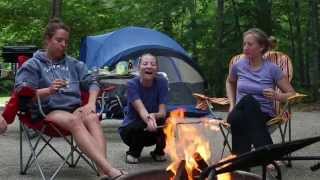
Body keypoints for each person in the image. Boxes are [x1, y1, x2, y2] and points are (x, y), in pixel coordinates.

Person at [15, 18, 124, 180]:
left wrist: (91, 103)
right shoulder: (33, 65)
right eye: (59, 40)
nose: (63, 45)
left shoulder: (74, 64)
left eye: (66, 41)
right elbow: (22, 94)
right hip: (47, 111)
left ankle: (103, 173)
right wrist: (49, 90)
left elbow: (93, 82)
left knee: (92, 116)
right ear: (47, 40)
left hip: (74, 108)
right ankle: (110, 170)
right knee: (74, 121)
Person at [225, 28, 296, 157]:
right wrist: (231, 104)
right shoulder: (238, 65)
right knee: (246, 102)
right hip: (239, 110)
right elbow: (230, 82)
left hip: (264, 114)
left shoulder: (272, 69)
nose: (245, 47)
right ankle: (267, 154)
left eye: (250, 44)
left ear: (261, 47)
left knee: (238, 117)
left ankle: (242, 165)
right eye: (244, 44)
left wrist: (278, 96)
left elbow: (292, 94)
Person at [118, 53, 169, 164]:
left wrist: (154, 116)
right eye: (145, 63)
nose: (149, 66)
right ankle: (133, 153)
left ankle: (159, 151)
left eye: (153, 64)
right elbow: (141, 110)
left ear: (157, 68)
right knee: (141, 124)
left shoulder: (162, 82)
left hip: (152, 129)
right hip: (131, 131)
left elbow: (162, 112)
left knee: (170, 121)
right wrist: (149, 119)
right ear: (138, 67)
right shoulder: (132, 84)